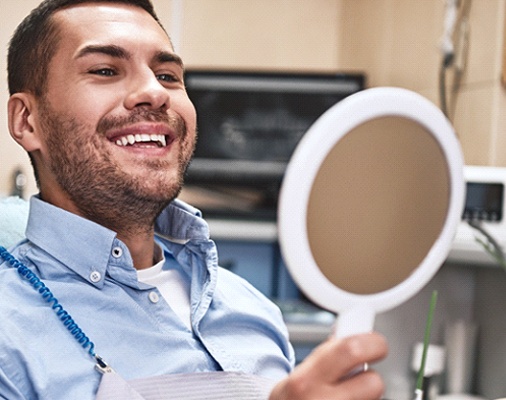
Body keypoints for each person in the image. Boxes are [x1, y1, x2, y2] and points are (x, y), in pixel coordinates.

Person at [0, 0, 388, 398]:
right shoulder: (9, 331)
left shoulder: (253, 310)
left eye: (168, 75)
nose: (154, 91)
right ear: (27, 121)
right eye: (104, 70)